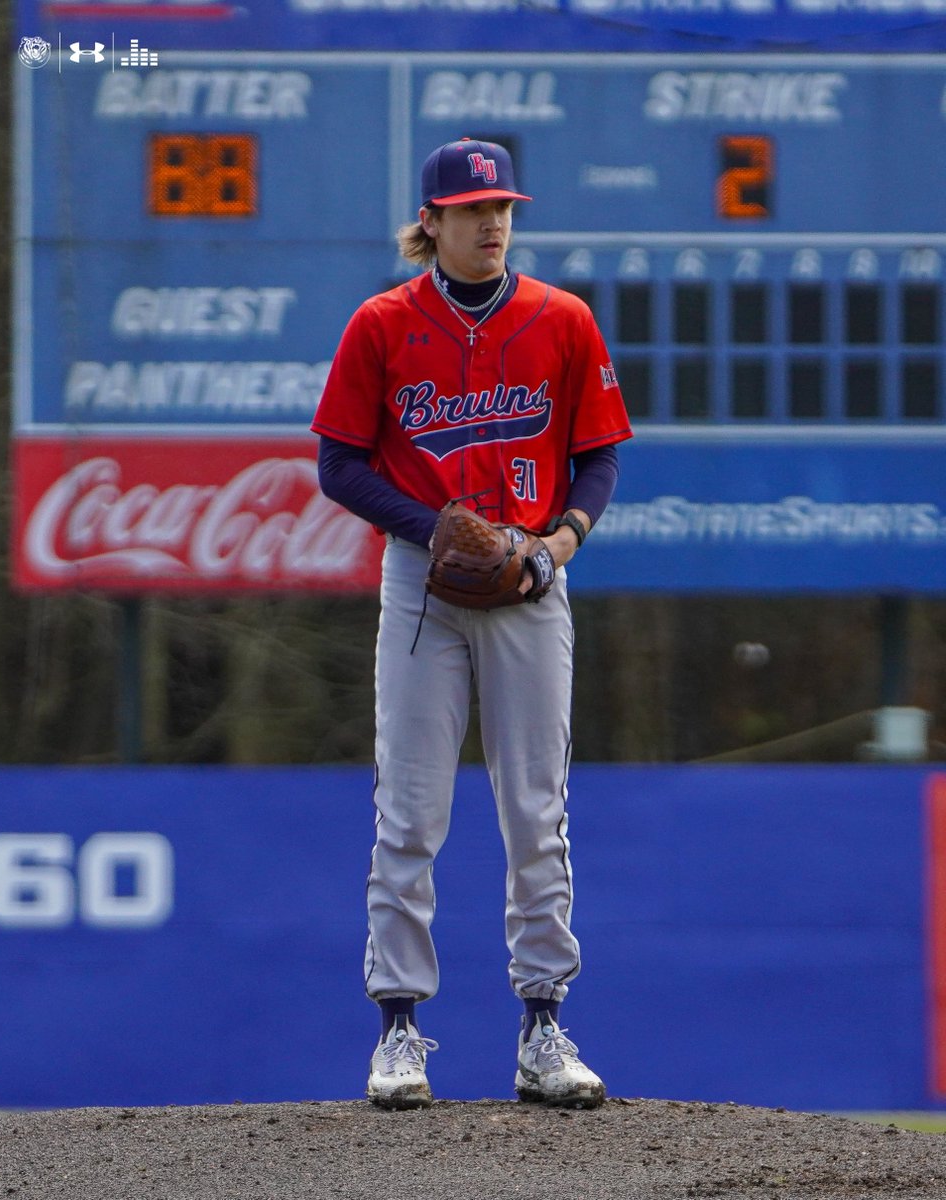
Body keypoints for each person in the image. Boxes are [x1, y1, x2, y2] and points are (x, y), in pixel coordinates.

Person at [311, 137, 632, 1110]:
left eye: (503, 210)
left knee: (536, 809)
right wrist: (433, 530)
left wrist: (556, 544)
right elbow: (338, 465)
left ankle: (543, 1027)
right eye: (473, 210)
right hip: (423, 586)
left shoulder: (562, 321)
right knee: (410, 810)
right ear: (433, 223)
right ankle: (400, 1032)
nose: (494, 223)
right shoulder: (381, 325)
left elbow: (601, 458)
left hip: (532, 578)